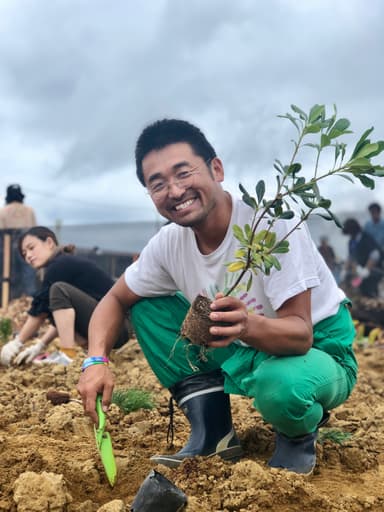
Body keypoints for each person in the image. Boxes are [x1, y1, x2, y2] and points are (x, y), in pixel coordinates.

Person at [77, 119, 357, 476]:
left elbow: (300, 334)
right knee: (146, 306)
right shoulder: (168, 244)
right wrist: (95, 360)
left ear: (217, 169)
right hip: (242, 342)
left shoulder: (270, 225)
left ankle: (296, 433)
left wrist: (247, 325)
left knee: (281, 385)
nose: (175, 191)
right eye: (157, 184)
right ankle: (213, 432)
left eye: (183, 173)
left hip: (315, 347)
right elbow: (114, 300)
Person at [0, 226, 132, 366]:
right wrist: (40, 345)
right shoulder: (60, 265)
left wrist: (17, 342)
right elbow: (63, 319)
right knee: (54, 299)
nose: (28, 256)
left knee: (58, 291)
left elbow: (39, 314)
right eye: (24, 253)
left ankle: (68, 356)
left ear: (49, 243)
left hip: (118, 327)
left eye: (31, 248)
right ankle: (80, 353)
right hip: (113, 329)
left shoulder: (60, 265)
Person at [0, 184, 37, 298]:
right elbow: (35, 230)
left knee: (6, 277)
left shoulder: (2, 211)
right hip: (27, 249)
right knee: (28, 277)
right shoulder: (30, 211)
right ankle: (30, 303)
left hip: (5, 252)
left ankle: (6, 303)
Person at [342, 218, 383, 298]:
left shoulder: (366, 238)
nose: (350, 235)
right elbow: (351, 257)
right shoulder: (351, 242)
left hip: (373, 271)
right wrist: (344, 270)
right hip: (359, 273)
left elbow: (375, 254)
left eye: (350, 233)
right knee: (354, 285)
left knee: (371, 292)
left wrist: (366, 269)